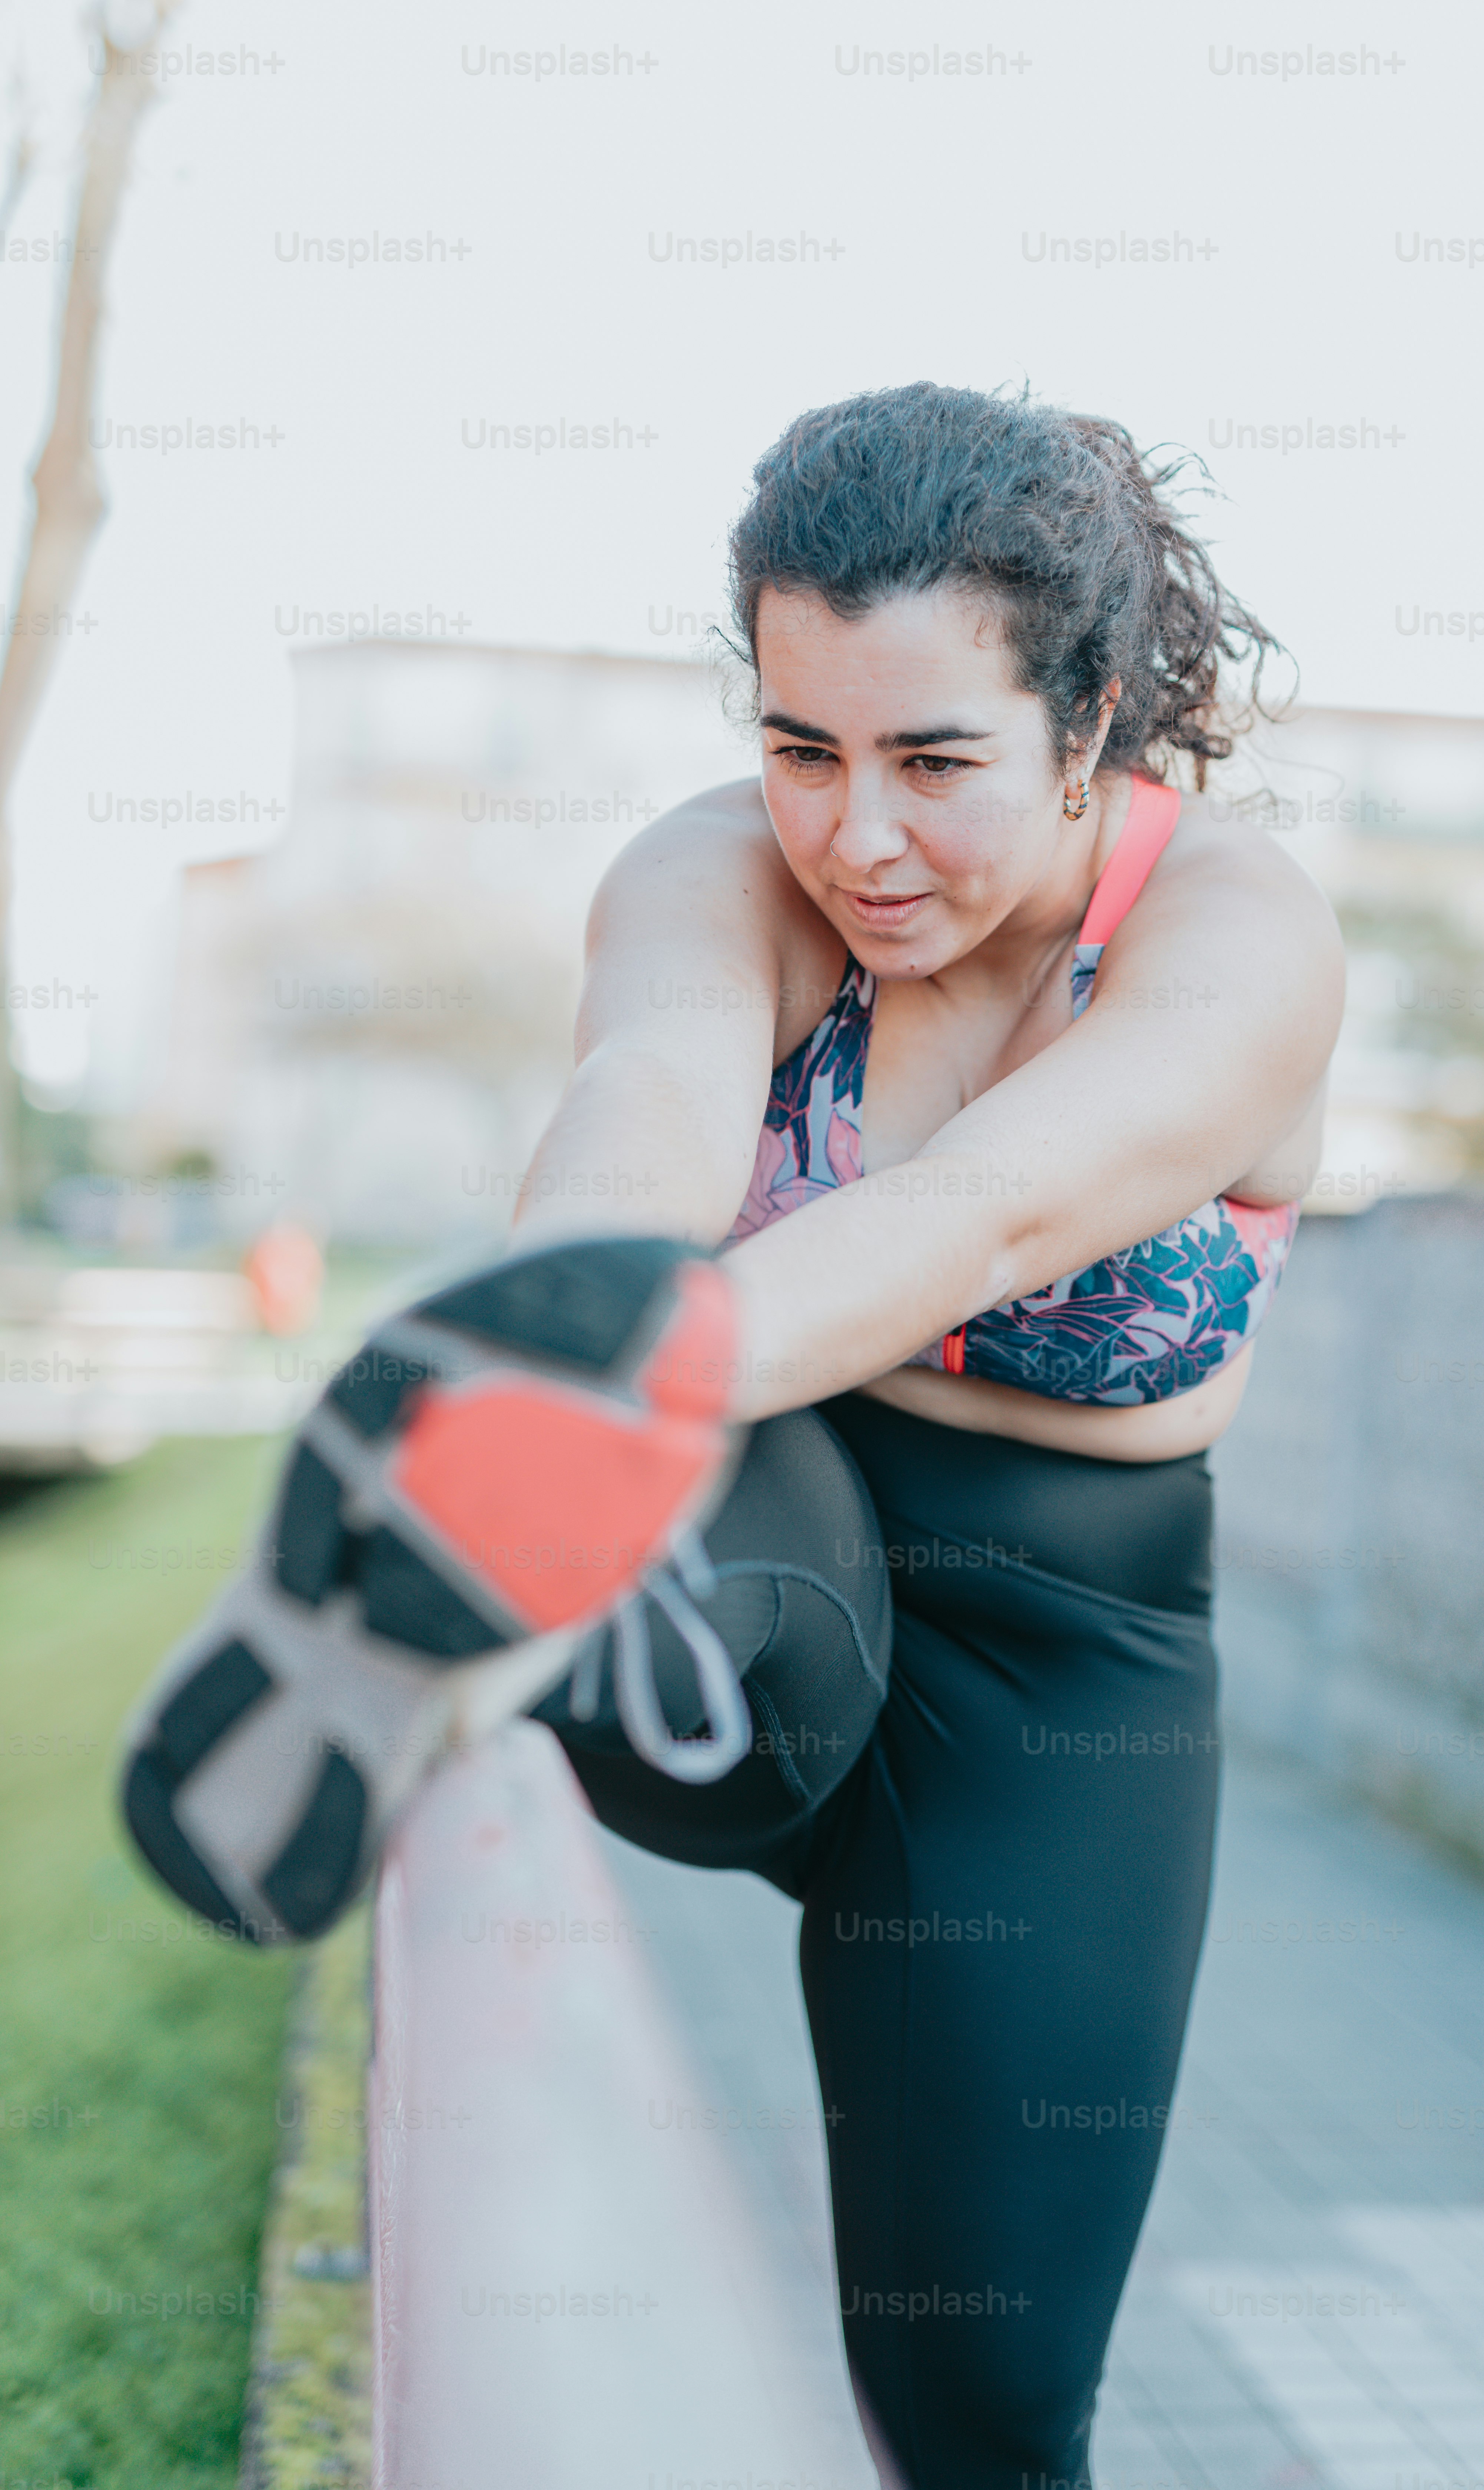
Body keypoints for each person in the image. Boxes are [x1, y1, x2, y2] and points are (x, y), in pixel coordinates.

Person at [123, 381, 1344, 2489]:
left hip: (1070, 1676)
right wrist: (571, 1328)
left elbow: (993, 1215)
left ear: (1097, 717)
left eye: (936, 761)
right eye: (801, 746)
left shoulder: (1240, 938)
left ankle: (505, 1553)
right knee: (692, 1473)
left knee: (977, 2407)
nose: (855, 836)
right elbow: (652, 1110)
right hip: (757, 1568)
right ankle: (467, 1611)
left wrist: (617, 1366)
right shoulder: (721, 872)